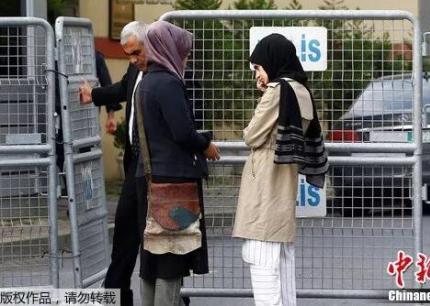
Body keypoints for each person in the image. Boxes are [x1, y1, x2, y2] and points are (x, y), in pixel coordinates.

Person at [232, 34, 328, 306]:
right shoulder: (301, 90)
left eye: (259, 69)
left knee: (261, 256)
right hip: (283, 178)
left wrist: (267, 94)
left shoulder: (277, 92)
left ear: (272, 62)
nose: (258, 76)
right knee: (281, 260)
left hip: (266, 177)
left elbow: (251, 135)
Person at [135, 20, 219, 306]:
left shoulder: (145, 82)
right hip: (175, 184)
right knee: (172, 257)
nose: (186, 57)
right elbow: (182, 132)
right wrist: (206, 143)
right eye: (183, 51)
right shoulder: (169, 83)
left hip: (153, 178)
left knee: (152, 260)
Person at [79, 21, 148, 306]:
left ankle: (166, 297)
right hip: (136, 161)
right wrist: (93, 95)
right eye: (128, 54)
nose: (132, 60)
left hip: (154, 164)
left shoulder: (164, 70)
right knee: (125, 229)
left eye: (136, 53)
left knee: (152, 236)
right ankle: (117, 294)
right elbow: (122, 88)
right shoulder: (137, 68)